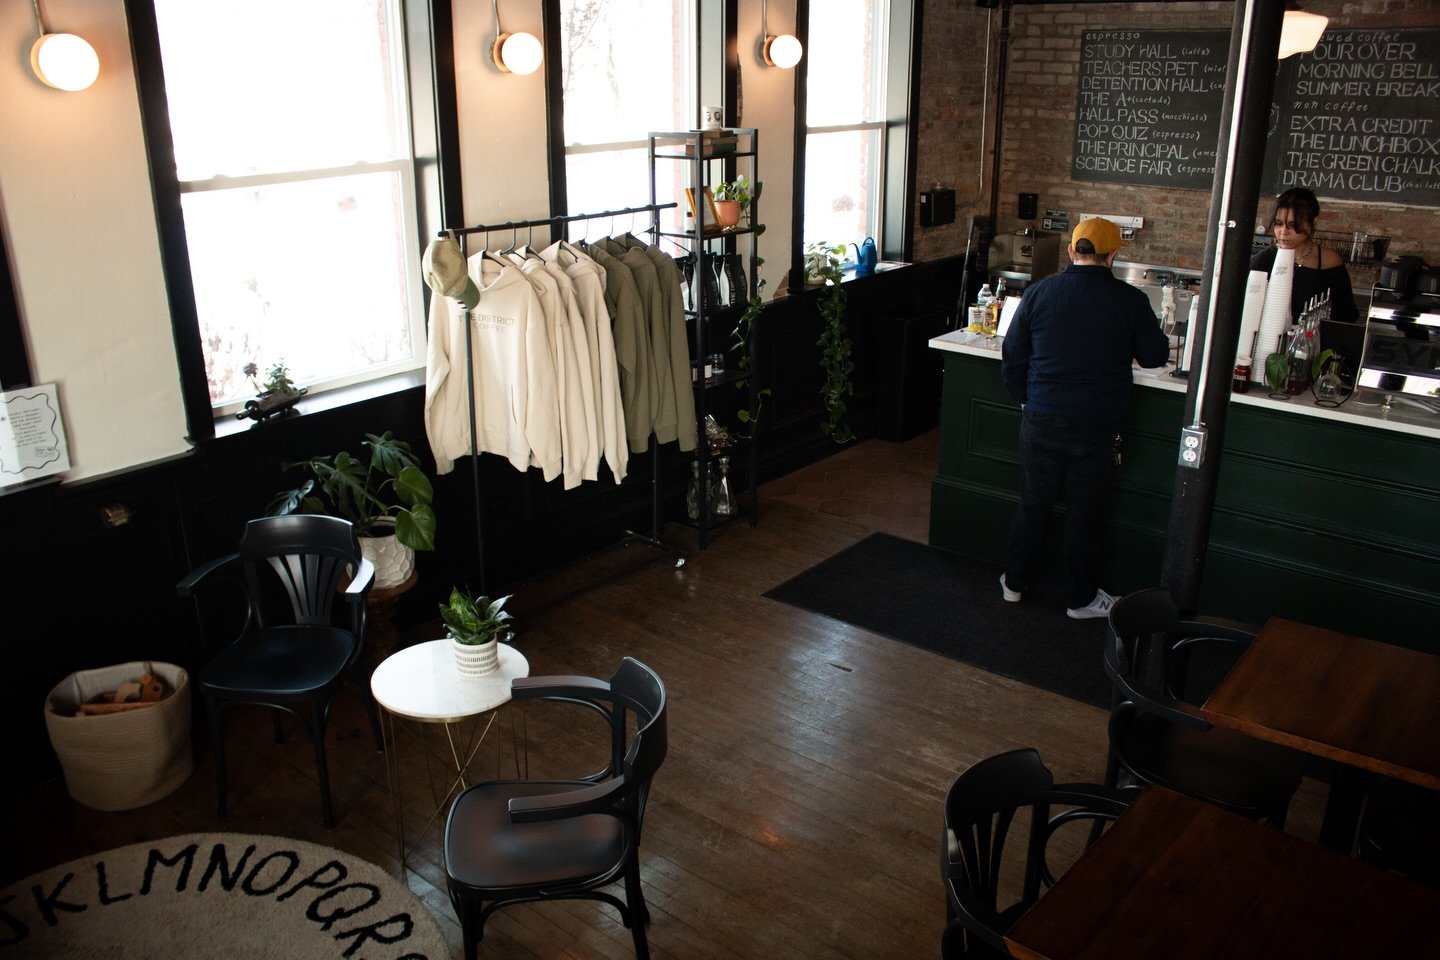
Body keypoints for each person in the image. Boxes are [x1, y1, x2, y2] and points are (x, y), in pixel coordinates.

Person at [999, 217, 1170, 619]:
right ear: (1112, 256)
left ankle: (1014, 584)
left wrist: (1024, 399)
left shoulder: (1039, 293)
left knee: (1033, 504)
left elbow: (1013, 354)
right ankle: (1080, 599)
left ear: (1073, 251)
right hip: (1096, 422)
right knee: (1084, 512)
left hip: (1041, 415)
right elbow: (1155, 356)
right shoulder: (1129, 300)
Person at [1249, 187, 1358, 324]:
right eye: (1278, 224)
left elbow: (1346, 315)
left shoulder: (1329, 261)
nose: (1283, 232)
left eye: (1293, 225)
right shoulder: (1262, 261)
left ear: (1313, 223)